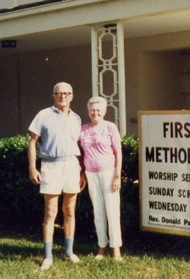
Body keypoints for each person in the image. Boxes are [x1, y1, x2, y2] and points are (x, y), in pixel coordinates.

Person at [28, 82, 87, 270]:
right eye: (59, 93)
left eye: (67, 93)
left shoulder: (76, 119)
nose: (63, 96)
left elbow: (81, 146)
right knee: (50, 213)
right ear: (53, 96)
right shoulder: (43, 115)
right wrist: (32, 167)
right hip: (50, 166)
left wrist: (82, 171)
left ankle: (69, 252)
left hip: (72, 165)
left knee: (69, 211)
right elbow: (33, 142)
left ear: (72, 96)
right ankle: (48, 256)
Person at [79, 96, 123, 261]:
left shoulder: (111, 127)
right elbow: (79, 152)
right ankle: (101, 247)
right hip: (91, 173)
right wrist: (82, 172)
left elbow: (118, 152)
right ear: (88, 111)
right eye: (92, 110)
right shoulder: (82, 129)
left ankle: (116, 249)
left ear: (104, 111)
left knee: (112, 211)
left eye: (98, 110)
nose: (95, 112)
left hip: (109, 173)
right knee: (98, 211)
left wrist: (117, 176)